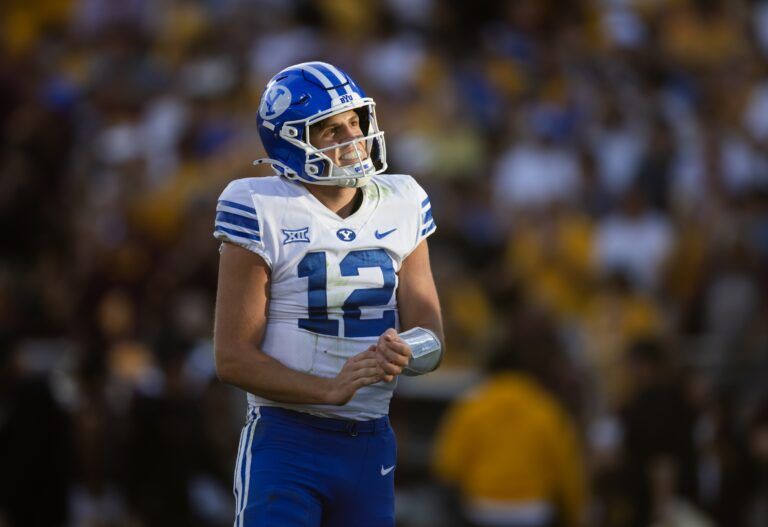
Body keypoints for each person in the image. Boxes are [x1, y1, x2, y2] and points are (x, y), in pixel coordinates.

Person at [212, 61, 444, 527]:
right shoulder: (260, 206)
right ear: (289, 141)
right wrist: (328, 389)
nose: (353, 138)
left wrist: (406, 350)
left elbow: (432, 337)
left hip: (370, 441)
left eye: (356, 121)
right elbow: (233, 357)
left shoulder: (402, 200)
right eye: (331, 130)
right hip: (288, 439)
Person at [432, 342, 586, 527]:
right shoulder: (546, 409)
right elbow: (566, 469)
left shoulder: (472, 407)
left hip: (482, 508)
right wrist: (574, 516)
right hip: (533, 510)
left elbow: (447, 466)